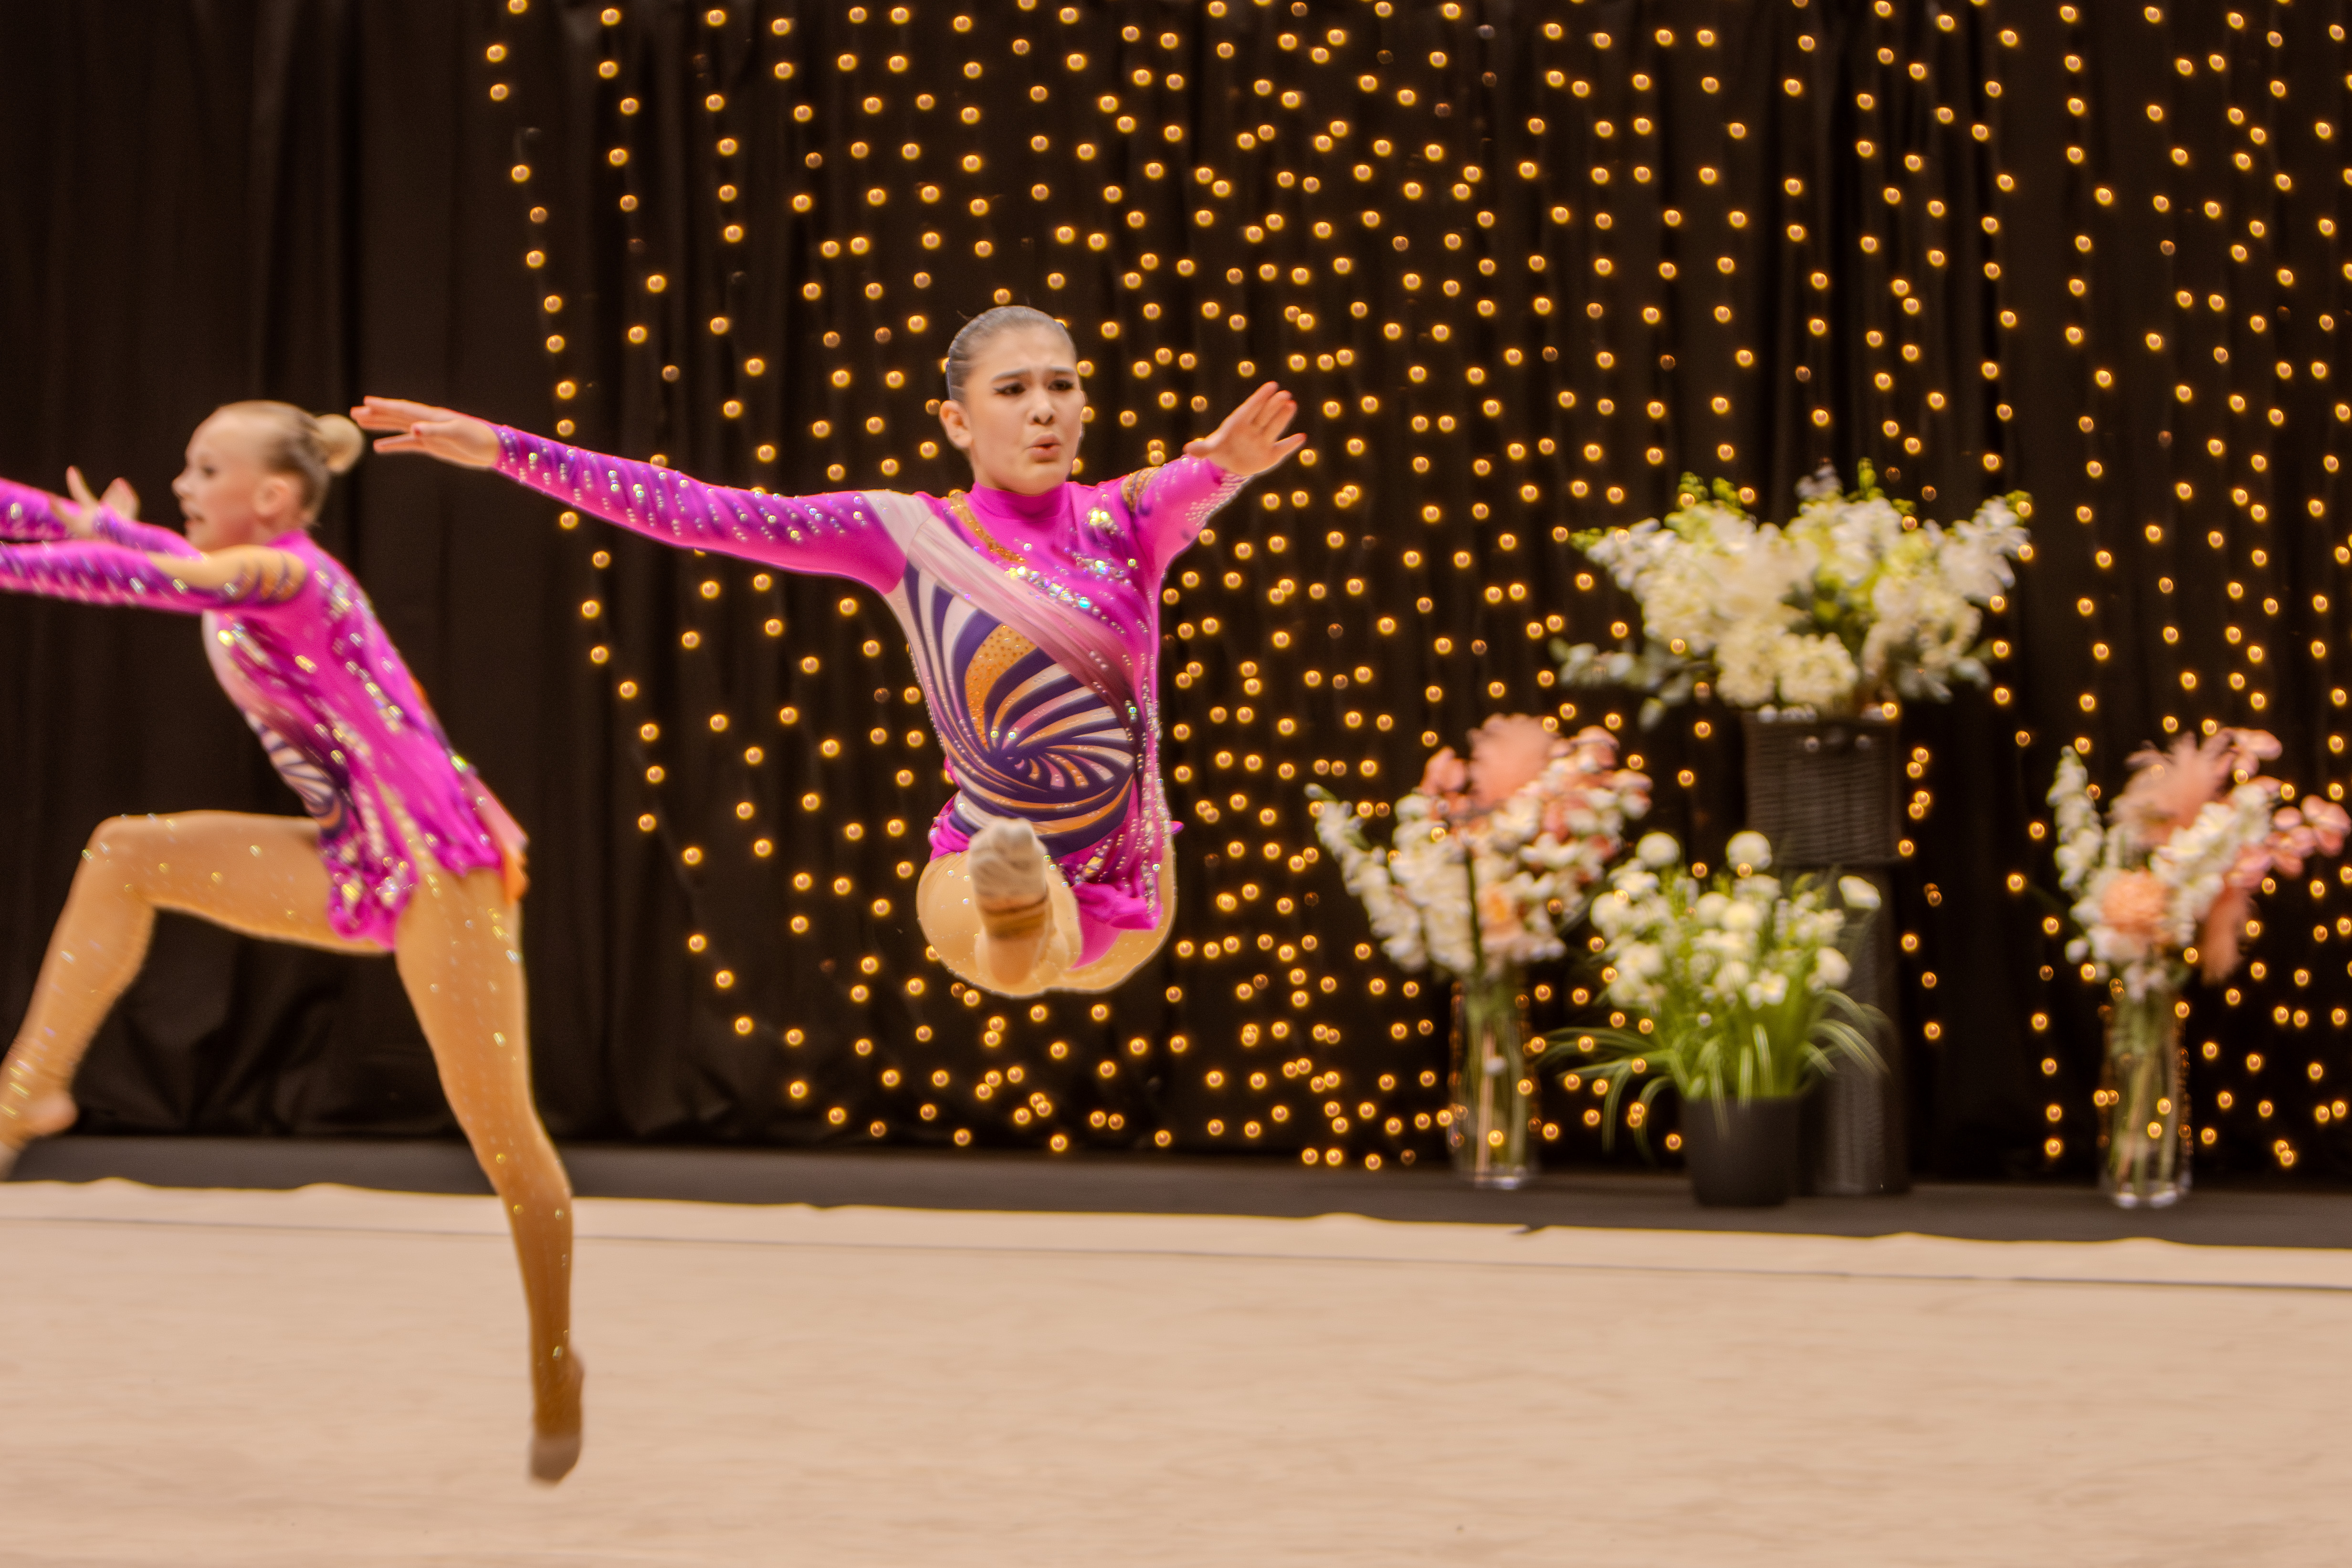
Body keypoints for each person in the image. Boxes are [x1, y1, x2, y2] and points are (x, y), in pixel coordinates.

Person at [356, 305, 1302, 996]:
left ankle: (1032, 911)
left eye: (1062, 385)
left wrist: (1225, 467)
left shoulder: (1125, 520)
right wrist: (510, 448)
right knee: (1016, 948)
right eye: (1013, 390)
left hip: (1126, 875)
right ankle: (1017, 907)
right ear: (957, 421)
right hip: (976, 855)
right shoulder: (909, 534)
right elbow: (701, 511)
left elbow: (1197, 481)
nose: (1044, 409)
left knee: (1063, 948)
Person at [0, 404, 584, 1483]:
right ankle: (26, 1094)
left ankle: (555, 1356)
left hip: (442, 874)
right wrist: (69, 523)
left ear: (271, 497)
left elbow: (134, 576)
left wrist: (83, 544)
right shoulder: (233, 566)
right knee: (126, 853)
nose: (182, 483)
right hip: (350, 853)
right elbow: (90, 535)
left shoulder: (286, 576)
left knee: (505, 1140)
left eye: (204, 468)